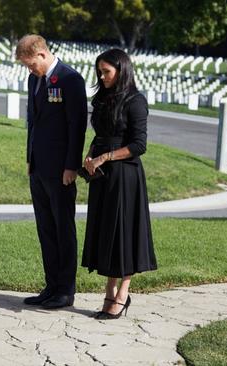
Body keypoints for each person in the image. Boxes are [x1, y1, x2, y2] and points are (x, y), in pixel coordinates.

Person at [81, 48, 157, 320]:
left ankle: (121, 293)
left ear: (122, 70)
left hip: (125, 177)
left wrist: (105, 156)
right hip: (103, 178)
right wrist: (91, 154)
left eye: (106, 72)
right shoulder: (103, 98)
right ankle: (109, 289)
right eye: (99, 72)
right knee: (107, 235)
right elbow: (100, 134)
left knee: (123, 237)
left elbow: (139, 145)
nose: (102, 77)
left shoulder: (136, 101)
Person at [16, 34, 87, 309]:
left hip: (61, 169)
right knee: (45, 228)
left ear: (43, 54)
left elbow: (76, 126)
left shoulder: (70, 79)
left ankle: (65, 290)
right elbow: (33, 122)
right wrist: (29, 158)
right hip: (38, 167)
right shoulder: (34, 79)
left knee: (62, 228)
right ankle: (51, 285)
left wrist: (71, 166)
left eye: (32, 64)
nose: (30, 70)